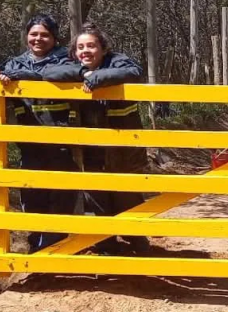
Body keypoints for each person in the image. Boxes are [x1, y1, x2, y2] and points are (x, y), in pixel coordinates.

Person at [43, 23, 151, 255]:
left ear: (103, 48)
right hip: (89, 146)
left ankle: (137, 241)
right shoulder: (72, 66)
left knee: (126, 194)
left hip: (122, 146)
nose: (85, 51)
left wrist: (99, 77)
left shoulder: (118, 61)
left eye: (91, 46)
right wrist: (83, 74)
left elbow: (133, 72)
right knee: (95, 196)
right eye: (80, 47)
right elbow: (48, 73)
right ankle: (106, 245)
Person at [0, 14, 79, 253]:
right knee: (32, 195)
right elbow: (1, 74)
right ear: (26, 36)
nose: (38, 39)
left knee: (62, 194)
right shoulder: (15, 62)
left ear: (54, 37)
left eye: (44, 34)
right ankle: (36, 249)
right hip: (29, 143)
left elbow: (68, 75)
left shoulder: (66, 60)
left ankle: (59, 248)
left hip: (61, 140)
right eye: (34, 34)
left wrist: (23, 76)